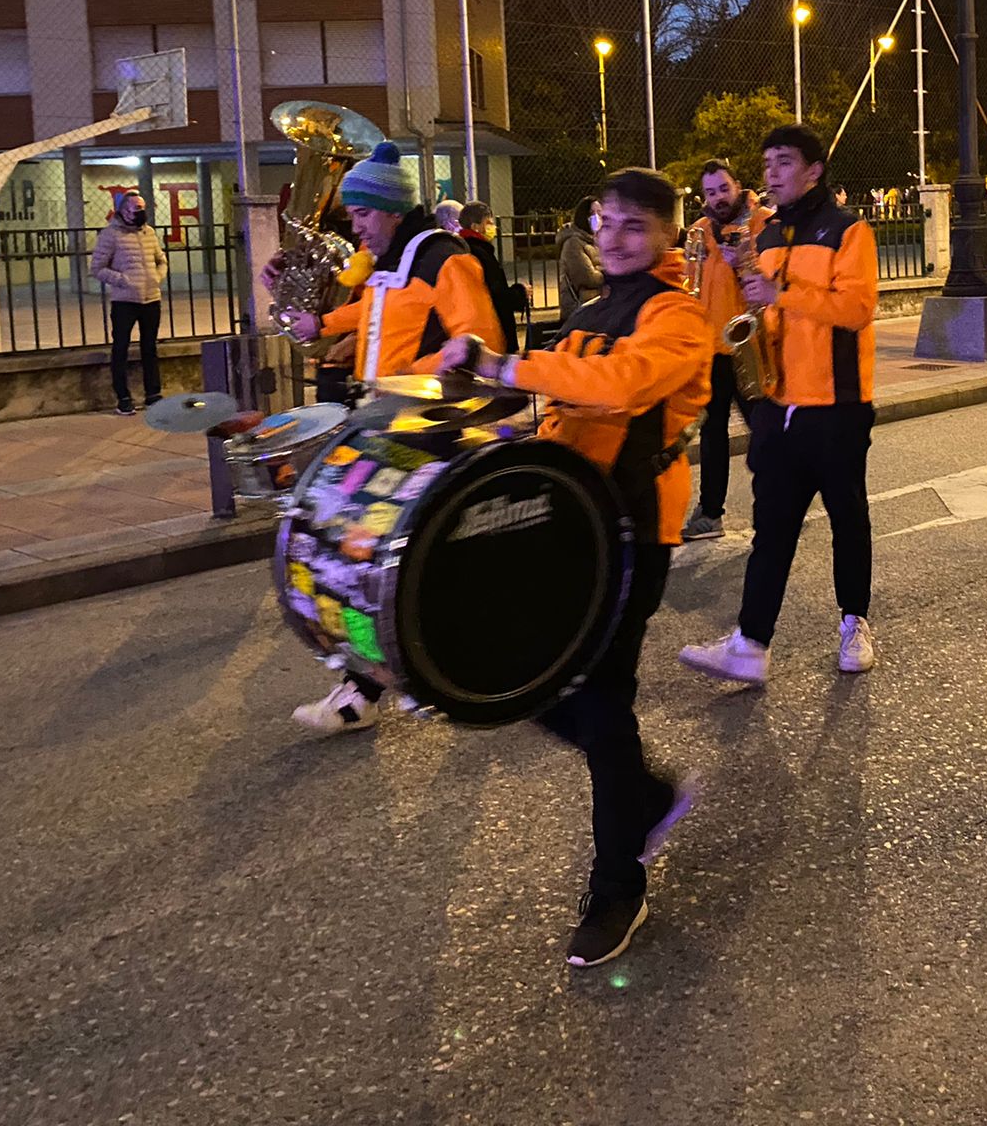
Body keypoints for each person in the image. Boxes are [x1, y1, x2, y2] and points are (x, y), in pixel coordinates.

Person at [437, 167, 711, 967]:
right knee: (525, 677)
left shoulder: (678, 314)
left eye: (634, 225)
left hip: (635, 526)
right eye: (605, 222)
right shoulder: (592, 309)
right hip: (572, 523)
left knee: (602, 698)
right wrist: (473, 411)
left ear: (667, 234)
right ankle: (644, 796)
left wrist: (507, 365)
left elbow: (620, 386)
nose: (615, 238)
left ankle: (619, 885)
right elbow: (560, 401)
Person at [266, 140, 505, 735]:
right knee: (365, 560)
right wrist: (319, 322)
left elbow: (479, 342)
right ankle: (373, 684)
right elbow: (373, 312)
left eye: (363, 214)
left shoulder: (444, 259)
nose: (356, 226)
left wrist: (415, 376)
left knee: (378, 562)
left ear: (393, 211)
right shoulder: (394, 259)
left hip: (427, 433)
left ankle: (393, 680)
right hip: (387, 424)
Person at [679, 124, 879, 685]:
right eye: (767, 162)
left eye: (784, 161)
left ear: (814, 169)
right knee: (771, 529)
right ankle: (751, 643)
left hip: (837, 404)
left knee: (848, 519)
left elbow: (857, 308)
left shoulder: (849, 229)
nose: (771, 172)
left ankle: (855, 623)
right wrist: (750, 292)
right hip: (777, 402)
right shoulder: (765, 237)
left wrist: (781, 294)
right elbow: (764, 311)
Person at [681, 159, 771, 541]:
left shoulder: (763, 223)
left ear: (738, 186)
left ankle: (780, 500)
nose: (718, 197)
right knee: (712, 433)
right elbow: (690, 286)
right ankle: (710, 513)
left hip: (752, 346)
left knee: (765, 431)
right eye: (711, 192)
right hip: (713, 349)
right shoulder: (699, 231)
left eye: (723, 188)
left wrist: (744, 265)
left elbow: (777, 282)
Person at [90, 188, 168, 416]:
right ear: (124, 210)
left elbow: (161, 260)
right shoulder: (111, 234)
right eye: (137, 208)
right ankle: (123, 397)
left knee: (149, 347)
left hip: (151, 298)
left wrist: (156, 277)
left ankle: (153, 394)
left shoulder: (149, 232)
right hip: (124, 301)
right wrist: (123, 280)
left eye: (143, 208)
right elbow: (97, 268)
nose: (141, 212)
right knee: (121, 348)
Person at [458, 201, 527, 354]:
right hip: (493, 330)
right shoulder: (480, 253)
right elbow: (496, 294)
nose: (493, 227)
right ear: (475, 226)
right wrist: (520, 293)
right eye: (488, 223)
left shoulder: (463, 248)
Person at [558, 196, 604, 319]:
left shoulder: (598, 242)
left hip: (598, 306)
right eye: (592, 213)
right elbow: (588, 278)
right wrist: (609, 272)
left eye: (599, 213)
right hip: (580, 309)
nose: (597, 217)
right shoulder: (573, 243)